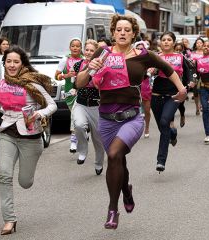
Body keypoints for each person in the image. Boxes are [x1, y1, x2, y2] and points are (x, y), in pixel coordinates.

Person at [76, 15, 186, 230]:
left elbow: (168, 69)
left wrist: (181, 89)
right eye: (119, 30)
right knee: (119, 161)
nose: (123, 33)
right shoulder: (103, 53)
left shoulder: (143, 55)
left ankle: (111, 209)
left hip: (131, 118)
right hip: (106, 120)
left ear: (134, 33)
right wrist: (91, 67)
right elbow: (80, 83)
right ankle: (126, 189)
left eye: (127, 30)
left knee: (114, 155)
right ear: (113, 33)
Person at [0, 45, 57, 235]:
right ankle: (9, 219)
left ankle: (26, 176)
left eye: (16, 61)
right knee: (4, 175)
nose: (12, 65)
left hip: (31, 137)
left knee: (25, 182)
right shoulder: (2, 84)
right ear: (4, 63)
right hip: (7, 133)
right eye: (9, 61)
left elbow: (52, 105)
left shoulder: (31, 83)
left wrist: (39, 114)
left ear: (22, 63)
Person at [150, 31, 192, 172]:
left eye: (169, 40)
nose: (166, 42)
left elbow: (188, 73)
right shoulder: (156, 57)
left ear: (174, 42)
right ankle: (172, 133)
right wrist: (152, 70)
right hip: (156, 94)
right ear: (160, 43)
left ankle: (161, 161)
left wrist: (190, 82)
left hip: (173, 95)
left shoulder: (180, 57)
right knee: (164, 128)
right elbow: (148, 72)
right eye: (164, 40)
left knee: (164, 121)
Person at [72, 39, 105, 173]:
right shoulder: (78, 64)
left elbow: (102, 84)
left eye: (92, 50)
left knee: (98, 140)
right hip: (80, 103)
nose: (89, 52)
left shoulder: (101, 65)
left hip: (96, 106)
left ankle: (98, 164)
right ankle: (83, 151)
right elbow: (75, 84)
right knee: (79, 125)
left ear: (96, 53)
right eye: (87, 50)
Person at [55, 38, 83, 153]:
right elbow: (56, 76)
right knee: (75, 115)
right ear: (70, 47)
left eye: (77, 46)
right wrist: (66, 76)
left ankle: (73, 140)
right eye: (73, 46)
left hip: (82, 91)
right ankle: (80, 134)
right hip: (69, 92)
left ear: (81, 48)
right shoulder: (64, 59)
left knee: (76, 115)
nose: (75, 48)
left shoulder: (84, 60)